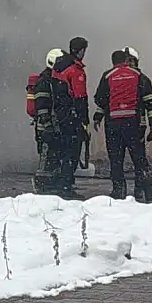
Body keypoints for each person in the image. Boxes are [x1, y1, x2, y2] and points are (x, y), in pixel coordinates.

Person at [93, 49, 152, 202]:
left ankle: (118, 191)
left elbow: (101, 100)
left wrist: (97, 118)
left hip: (113, 125)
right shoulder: (140, 76)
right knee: (139, 159)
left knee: (116, 159)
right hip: (134, 124)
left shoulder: (107, 76)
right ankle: (144, 191)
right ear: (126, 60)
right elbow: (150, 102)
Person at [30, 48, 75, 196]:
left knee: (54, 157)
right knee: (46, 158)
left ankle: (52, 187)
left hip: (55, 127)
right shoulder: (44, 81)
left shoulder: (55, 80)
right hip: (46, 129)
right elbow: (42, 105)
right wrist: (48, 126)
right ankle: (41, 186)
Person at [54, 36, 90, 194]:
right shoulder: (75, 70)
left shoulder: (59, 67)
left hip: (60, 115)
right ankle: (66, 186)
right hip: (72, 117)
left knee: (63, 151)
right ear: (79, 51)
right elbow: (80, 97)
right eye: (84, 50)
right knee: (73, 152)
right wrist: (84, 121)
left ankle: (60, 182)